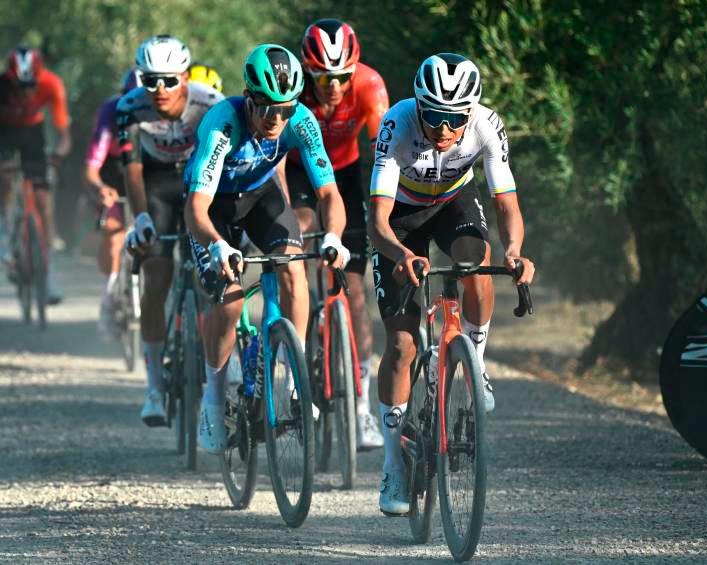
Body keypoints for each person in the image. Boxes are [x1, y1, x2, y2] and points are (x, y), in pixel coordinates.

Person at [367, 53, 535, 515]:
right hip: (400, 217)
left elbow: (506, 202)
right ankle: (393, 463)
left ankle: (474, 358)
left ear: (470, 112)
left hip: (455, 202)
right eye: (434, 116)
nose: (443, 129)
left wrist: (515, 251)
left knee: (475, 263)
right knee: (401, 345)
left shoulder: (485, 124)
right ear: (418, 106)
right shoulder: (396, 124)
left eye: (455, 118)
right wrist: (402, 255)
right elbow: (377, 221)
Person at [184, 43, 349, 453]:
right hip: (212, 206)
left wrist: (332, 235)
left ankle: (294, 382)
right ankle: (212, 395)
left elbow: (328, 192)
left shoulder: (301, 121)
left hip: (259, 196)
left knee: (293, 269)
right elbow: (196, 208)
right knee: (231, 300)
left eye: (287, 109)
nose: (278, 119)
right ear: (249, 97)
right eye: (269, 108)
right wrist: (218, 246)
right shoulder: (223, 123)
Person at [289, 18, 389, 450]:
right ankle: (304, 317)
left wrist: (382, 209)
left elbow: (385, 152)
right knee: (303, 230)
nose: (333, 86)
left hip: (345, 175)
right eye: (323, 77)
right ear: (308, 72)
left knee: (355, 292)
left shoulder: (369, 85)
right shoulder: (294, 89)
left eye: (342, 76)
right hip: (298, 170)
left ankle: (362, 407)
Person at [118, 35, 224, 426]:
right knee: (156, 276)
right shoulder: (129, 108)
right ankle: (154, 388)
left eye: (168, 80)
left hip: (201, 184)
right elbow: (130, 169)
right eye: (149, 81)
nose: (159, 90)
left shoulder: (209, 102)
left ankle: (212, 359)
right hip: (158, 185)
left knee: (210, 277)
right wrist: (140, 217)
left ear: (184, 75)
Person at [0, 46, 71, 303]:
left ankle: (48, 271)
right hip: (5, 132)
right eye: (20, 86)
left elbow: (64, 136)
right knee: (6, 181)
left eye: (30, 85)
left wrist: (57, 158)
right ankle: (6, 235)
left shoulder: (52, 84)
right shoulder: (2, 87)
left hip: (33, 132)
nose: (26, 92)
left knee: (43, 200)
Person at [84, 68, 142, 337]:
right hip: (112, 174)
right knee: (114, 235)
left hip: (144, 173)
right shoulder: (110, 113)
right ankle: (108, 298)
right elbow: (92, 167)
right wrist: (100, 188)